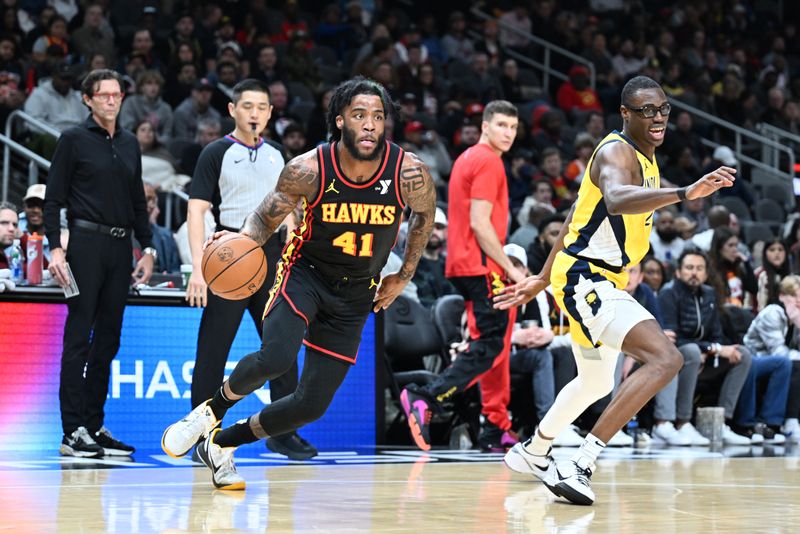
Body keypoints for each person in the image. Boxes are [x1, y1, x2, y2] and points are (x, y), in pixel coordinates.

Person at [161, 76, 436, 490]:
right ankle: (209, 411)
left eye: (378, 117)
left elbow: (424, 217)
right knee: (276, 357)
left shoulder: (408, 172)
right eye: (360, 116)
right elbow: (264, 219)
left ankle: (222, 444)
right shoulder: (308, 168)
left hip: (357, 293)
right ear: (340, 120)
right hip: (304, 275)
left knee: (310, 405)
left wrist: (404, 274)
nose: (370, 125)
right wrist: (237, 246)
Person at [495, 76, 735, 506]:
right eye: (646, 110)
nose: (658, 116)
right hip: (587, 278)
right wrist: (685, 192)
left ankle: (535, 451)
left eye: (662, 108)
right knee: (666, 358)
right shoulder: (615, 152)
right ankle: (580, 463)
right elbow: (618, 198)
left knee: (595, 382)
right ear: (626, 113)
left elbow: (576, 214)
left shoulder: (645, 155)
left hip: (583, 275)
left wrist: (544, 276)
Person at [182, 78, 317, 461]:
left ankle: (282, 432)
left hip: (273, 257)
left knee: (282, 348)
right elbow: (196, 211)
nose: (255, 113)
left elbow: (292, 210)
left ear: (270, 112)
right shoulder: (215, 152)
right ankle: (201, 436)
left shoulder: (279, 155)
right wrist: (197, 269)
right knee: (212, 352)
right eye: (247, 107)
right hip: (230, 257)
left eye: (262, 107)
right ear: (233, 110)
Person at [400, 100, 525, 453]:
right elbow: (480, 224)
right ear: (485, 126)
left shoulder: (468, 158)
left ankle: (495, 426)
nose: (508, 133)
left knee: (493, 343)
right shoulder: (488, 161)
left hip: (466, 264)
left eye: (513, 128)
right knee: (489, 344)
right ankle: (426, 397)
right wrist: (512, 268)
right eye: (501, 125)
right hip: (483, 265)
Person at [44, 68, 156, 458]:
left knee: (108, 340)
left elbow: (138, 202)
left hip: (120, 246)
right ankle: (71, 430)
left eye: (117, 94)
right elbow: (53, 198)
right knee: (79, 338)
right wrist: (55, 248)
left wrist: (148, 247)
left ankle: (94, 423)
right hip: (85, 244)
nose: (111, 100)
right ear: (87, 100)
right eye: (103, 94)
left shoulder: (129, 143)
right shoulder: (72, 139)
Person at [659, 249, 752, 446]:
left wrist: (711, 349)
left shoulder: (709, 294)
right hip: (680, 355)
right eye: (689, 268)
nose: (694, 272)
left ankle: (722, 423)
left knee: (742, 354)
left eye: (699, 268)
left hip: (703, 355)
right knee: (691, 351)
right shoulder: (668, 293)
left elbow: (716, 334)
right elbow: (673, 338)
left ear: (706, 273)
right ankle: (682, 422)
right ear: (678, 272)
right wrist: (710, 348)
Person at [744, 275, 800, 442]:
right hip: (754, 359)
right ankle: (785, 421)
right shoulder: (772, 313)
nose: (798, 300)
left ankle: (791, 420)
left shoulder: (795, 318)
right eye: (794, 295)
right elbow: (779, 352)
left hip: (777, 362)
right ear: (782, 296)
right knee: (793, 364)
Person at [412, 207, 456, 308]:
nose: (434, 232)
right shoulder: (409, 266)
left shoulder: (451, 266)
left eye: (439, 227)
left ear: (445, 233)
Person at [142, 183, 180, 274]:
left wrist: (169, 276)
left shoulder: (165, 235)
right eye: (147, 199)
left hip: (159, 284)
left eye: (154, 200)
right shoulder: (123, 234)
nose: (151, 206)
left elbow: (175, 270)